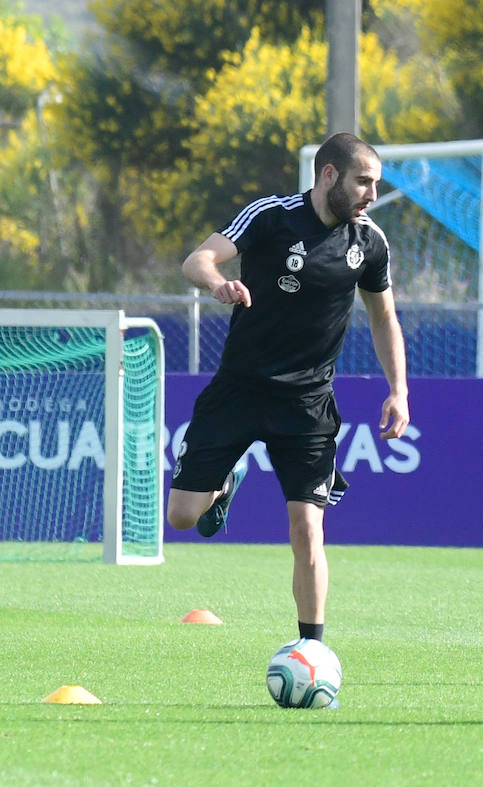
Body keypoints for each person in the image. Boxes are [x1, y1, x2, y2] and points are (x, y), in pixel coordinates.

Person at [167, 132, 409, 648]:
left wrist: (399, 391)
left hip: (307, 404)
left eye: (377, 184)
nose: (372, 194)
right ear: (328, 176)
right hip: (239, 389)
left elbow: (383, 316)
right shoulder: (270, 216)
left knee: (307, 530)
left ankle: (312, 649)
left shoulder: (369, 243)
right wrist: (217, 284)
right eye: (363, 181)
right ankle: (225, 482)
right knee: (182, 517)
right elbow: (197, 259)